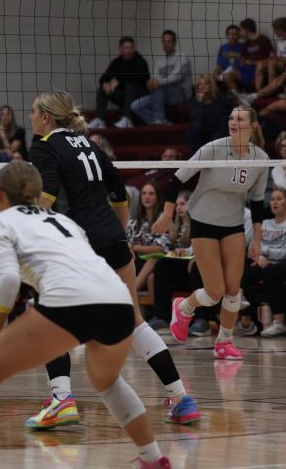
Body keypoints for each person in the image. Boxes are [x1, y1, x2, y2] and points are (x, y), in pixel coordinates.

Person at [0, 161, 173, 469]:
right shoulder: (64, 221)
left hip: (70, 299)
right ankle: (153, 458)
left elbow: (8, 280)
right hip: (119, 299)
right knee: (107, 382)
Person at [28, 91, 198, 430]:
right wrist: (120, 237)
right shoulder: (90, 144)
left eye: (33, 112)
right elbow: (120, 195)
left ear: (47, 118)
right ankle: (182, 399)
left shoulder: (44, 145)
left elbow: (46, 196)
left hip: (80, 239)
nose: (30, 117)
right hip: (112, 236)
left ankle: (62, 400)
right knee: (135, 321)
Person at [156, 105, 270, 360]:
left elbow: (258, 202)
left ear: (252, 125)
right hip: (204, 222)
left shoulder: (260, 158)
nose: (233, 122)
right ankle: (183, 307)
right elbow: (177, 179)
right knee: (215, 291)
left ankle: (224, 341)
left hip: (233, 224)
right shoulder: (214, 148)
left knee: (233, 290)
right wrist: (166, 215)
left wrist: (258, 240)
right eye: (230, 117)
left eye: (239, 118)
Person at [148, 196, 196, 331]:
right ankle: (161, 317)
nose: (179, 207)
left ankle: (198, 319)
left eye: (183, 204)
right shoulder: (176, 225)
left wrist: (185, 251)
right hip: (180, 264)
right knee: (160, 266)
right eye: (176, 205)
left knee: (159, 267)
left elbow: (198, 248)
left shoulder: (196, 224)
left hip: (193, 265)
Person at [245, 188, 286, 337]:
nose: (275, 202)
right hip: (263, 263)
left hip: (281, 264)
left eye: (279, 199)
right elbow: (252, 247)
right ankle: (250, 319)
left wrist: (265, 252)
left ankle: (279, 322)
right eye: (273, 199)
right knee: (241, 273)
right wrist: (258, 256)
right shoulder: (265, 224)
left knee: (271, 271)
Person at [86, 37, 150, 130]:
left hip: (139, 96)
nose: (128, 50)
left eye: (131, 48)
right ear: (120, 49)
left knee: (130, 86)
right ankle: (100, 120)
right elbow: (104, 77)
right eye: (126, 48)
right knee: (103, 88)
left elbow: (136, 79)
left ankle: (127, 119)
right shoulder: (117, 62)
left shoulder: (140, 61)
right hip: (124, 96)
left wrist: (117, 83)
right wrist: (105, 84)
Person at [131, 30, 193, 126]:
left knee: (159, 86)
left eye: (169, 41)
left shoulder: (182, 57)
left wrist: (157, 83)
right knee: (135, 106)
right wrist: (150, 83)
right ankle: (161, 121)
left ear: (175, 43)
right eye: (164, 42)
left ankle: (159, 118)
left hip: (180, 95)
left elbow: (175, 77)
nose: (166, 44)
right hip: (161, 94)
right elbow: (155, 78)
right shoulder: (159, 60)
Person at [128, 184, 171, 295]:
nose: (147, 197)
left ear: (157, 197)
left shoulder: (163, 220)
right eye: (144, 193)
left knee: (154, 259)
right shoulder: (134, 221)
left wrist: (134, 247)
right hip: (133, 261)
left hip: (154, 263)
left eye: (151, 194)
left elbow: (161, 249)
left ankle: (129, 293)